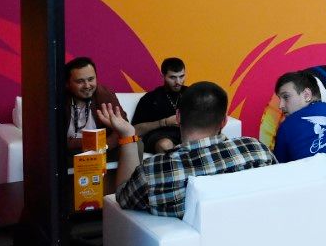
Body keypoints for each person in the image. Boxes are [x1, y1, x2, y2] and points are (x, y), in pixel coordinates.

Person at [101, 81, 275, 218]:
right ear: (224, 121)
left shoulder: (155, 172)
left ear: (177, 117)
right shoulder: (257, 150)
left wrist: (128, 136)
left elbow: (123, 197)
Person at [63, 57, 122, 155]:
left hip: (102, 150)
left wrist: (105, 145)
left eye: (91, 79)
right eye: (80, 81)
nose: (87, 85)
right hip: (67, 154)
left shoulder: (105, 95)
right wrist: (94, 143)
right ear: (67, 84)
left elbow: (122, 128)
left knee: (136, 143)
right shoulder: (57, 99)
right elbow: (52, 139)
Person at [131, 57, 187, 154]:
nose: (178, 82)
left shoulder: (192, 94)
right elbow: (134, 131)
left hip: (188, 134)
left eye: (181, 76)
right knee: (164, 144)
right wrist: (164, 122)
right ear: (163, 76)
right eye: (173, 77)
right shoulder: (150, 98)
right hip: (159, 136)